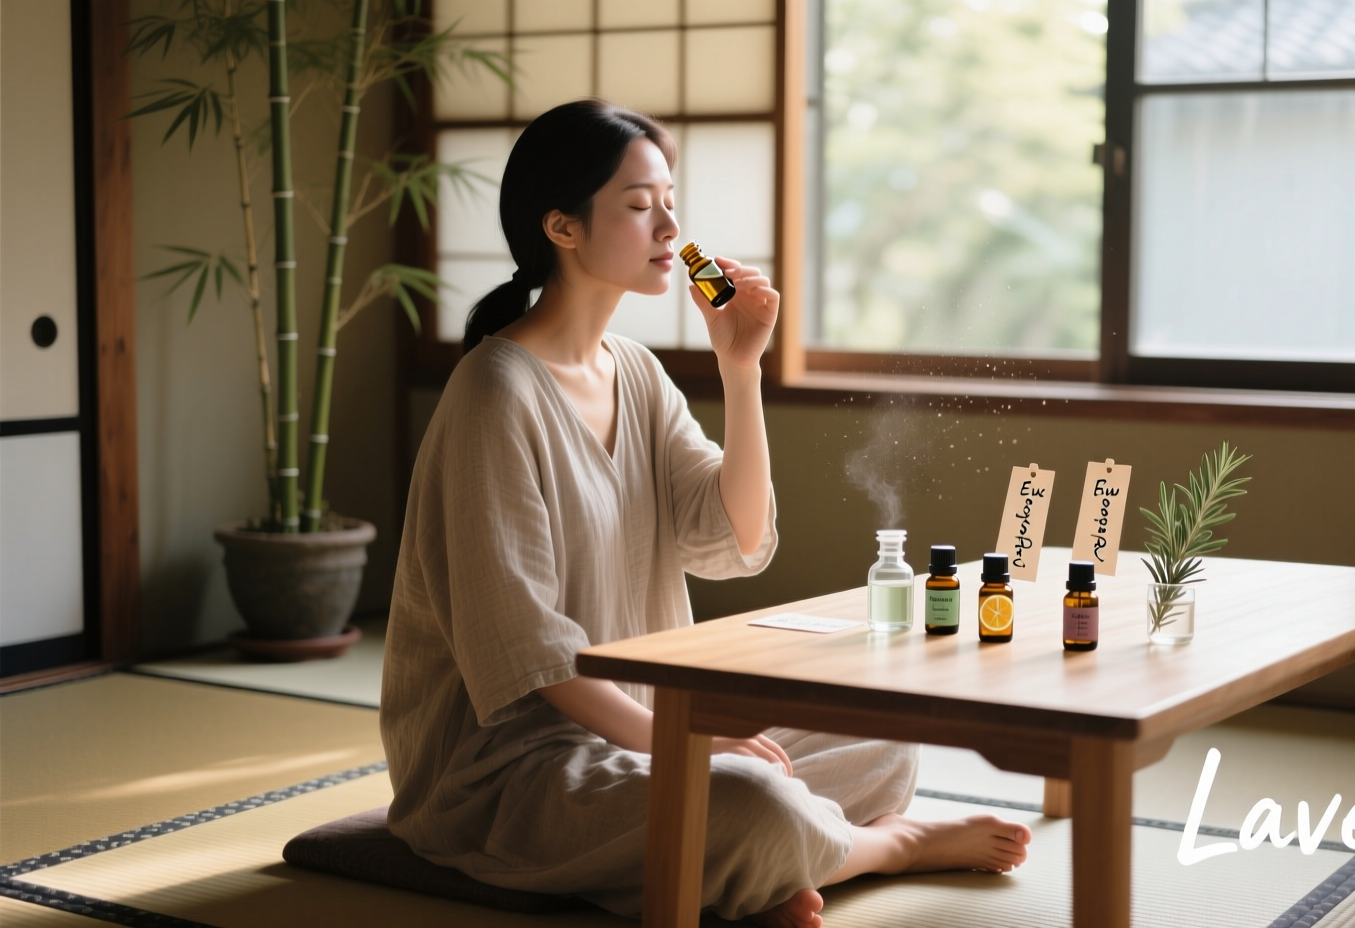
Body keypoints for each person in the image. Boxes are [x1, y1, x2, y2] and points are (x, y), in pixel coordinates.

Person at [380, 99, 1032, 928]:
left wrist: (740, 367)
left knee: (881, 738)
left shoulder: (639, 373)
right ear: (563, 228)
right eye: (640, 203)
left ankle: (763, 870)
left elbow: (738, 537)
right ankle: (887, 848)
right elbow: (528, 654)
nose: (670, 225)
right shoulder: (493, 391)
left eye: (671, 200)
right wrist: (691, 748)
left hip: (649, 727)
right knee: (746, 799)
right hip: (515, 770)